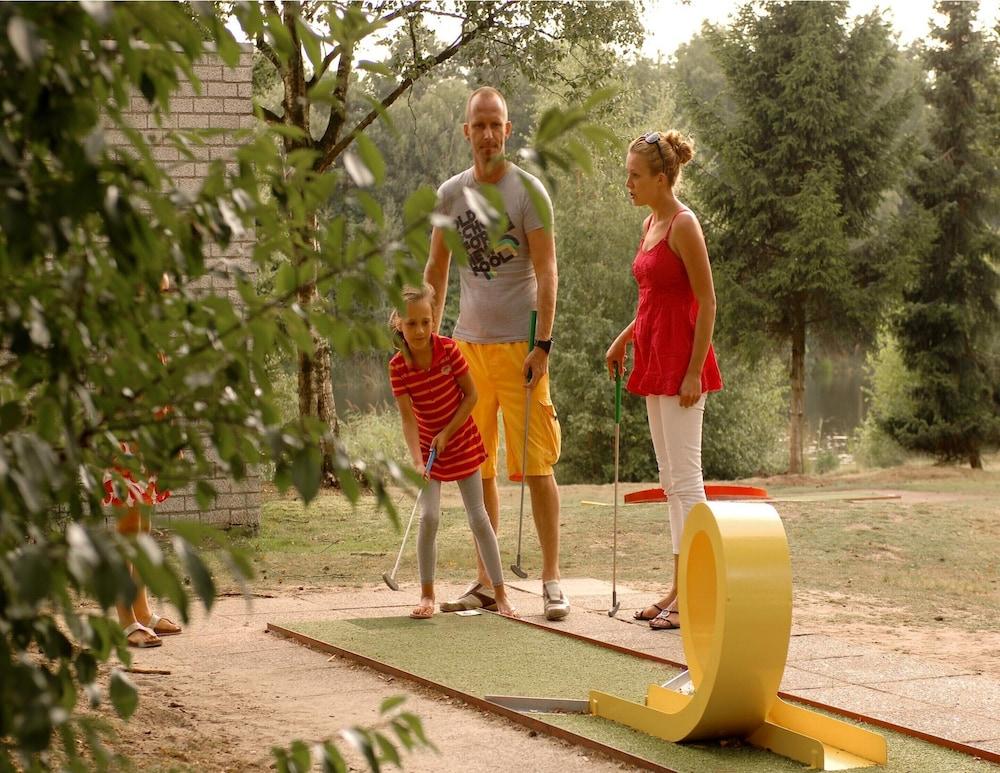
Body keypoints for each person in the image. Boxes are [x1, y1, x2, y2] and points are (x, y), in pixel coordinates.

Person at [424, 86, 569, 621]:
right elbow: (436, 273)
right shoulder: (449, 195)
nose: (487, 134)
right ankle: (487, 582)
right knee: (476, 468)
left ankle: (552, 579)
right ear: (466, 131)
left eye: (496, 125)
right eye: (478, 125)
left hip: (521, 350)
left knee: (535, 465)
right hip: (466, 350)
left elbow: (549, 270)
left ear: (509, 130)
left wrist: (544, 344)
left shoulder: (529, 192)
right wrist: (433, 343)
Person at [605, 130, 723, 630]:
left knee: (686, 481)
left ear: (660, 178)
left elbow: (707, 301)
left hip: (682, 365)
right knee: (670, 481)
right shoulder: (652, 222)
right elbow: (655, 298)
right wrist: (624, 338)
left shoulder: (683, 224)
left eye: (635, 176)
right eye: (627, 174)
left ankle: (696, 592)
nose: (627, 183)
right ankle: (679, 587)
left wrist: (694, 370)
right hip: (654, 358)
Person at [390, 284, 517, 619]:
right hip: (427, 449)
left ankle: (500, 593)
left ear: (433, 320)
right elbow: (407, 418)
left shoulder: (448, 350)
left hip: (460, 440)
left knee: (478, 517)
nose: (419, 330)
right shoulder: (398, 367)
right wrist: (416, 461)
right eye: (411, 323)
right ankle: (427, 595)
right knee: (429, 516)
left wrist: (447, 432)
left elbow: (471, 397)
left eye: (425, 322)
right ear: (398, 325)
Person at [105, 273, 183, 647]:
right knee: (127, 533)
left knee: (143, 530)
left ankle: (142, 609)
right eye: (160, 290)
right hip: (126, 444)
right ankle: (124, 620)